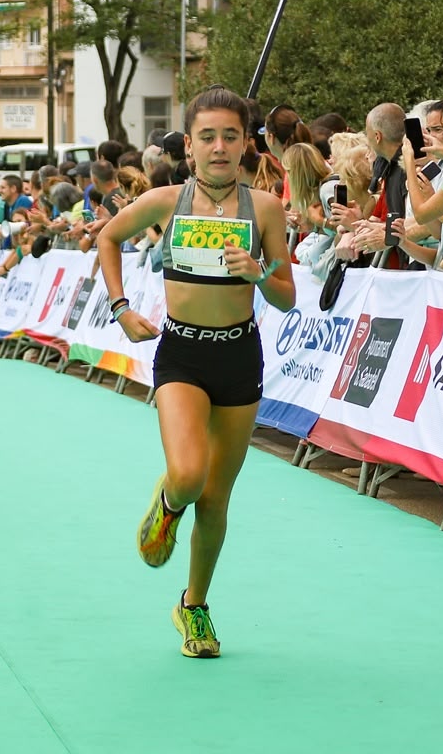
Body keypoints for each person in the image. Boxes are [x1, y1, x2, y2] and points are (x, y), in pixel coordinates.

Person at [98, 84, 295, 658]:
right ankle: (165, 507)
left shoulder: (265, 209)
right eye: (207, 136)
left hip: (239, 356)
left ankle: (195, 608)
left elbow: (286, 295)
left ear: (245, 144)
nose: (218, 147)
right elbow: (108, 238)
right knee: (186, 476)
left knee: (215, 499)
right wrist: (120, 309)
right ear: (189, 145)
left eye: (230, 136)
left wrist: (259, 272)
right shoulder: (165, 201)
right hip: (181, 353)